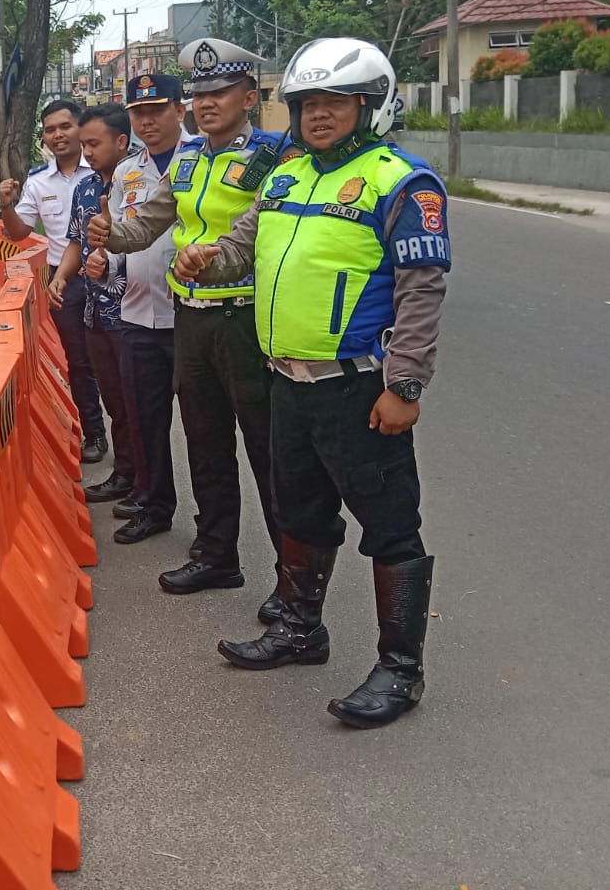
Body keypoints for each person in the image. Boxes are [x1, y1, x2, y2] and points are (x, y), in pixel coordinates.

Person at [174, 37, 449, 729]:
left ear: (370, 105)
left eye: (334, 102)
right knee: (299, 512)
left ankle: (400, 669)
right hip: (284, 381)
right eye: (306, 104)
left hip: (357, 388)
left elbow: (421, 292)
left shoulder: (402, 183)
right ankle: (300, 626)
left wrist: (406, 386)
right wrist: (209, 259)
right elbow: (245, 243)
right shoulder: (285, 177)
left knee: (390, 529)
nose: (318, 115)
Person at [93, 39, 286, 615]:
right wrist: (111, 234)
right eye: (199, 94)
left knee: (267, 451)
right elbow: (151, 221)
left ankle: (293, 577)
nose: (206, 103)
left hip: (246, 318)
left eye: (219, 92)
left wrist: (215, 256)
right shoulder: (189, 158)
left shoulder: (272, 157)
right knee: (205, 441)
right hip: (192, 318)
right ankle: (217, 553)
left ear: (249, 97)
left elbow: (260, 228)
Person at [92, 71, 193, 545]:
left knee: (204, 430)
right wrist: (104, 263)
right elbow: (119, 239)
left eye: (157, 111)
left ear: (179, 108)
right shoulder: (128, 172)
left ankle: (214, 533)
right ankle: (154, 505)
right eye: (139, 114)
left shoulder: (205, 161)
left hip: (192, 319)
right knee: (144, 420)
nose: (148, 122)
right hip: (136, 314)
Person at [0, 99, 108, 464]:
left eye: (65, 126)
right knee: (79, 362)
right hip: (67, 281)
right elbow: (18, 233)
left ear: (81, 127)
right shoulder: (38, 181)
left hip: (113, 279)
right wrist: (8, 205)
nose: (58, 135)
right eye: (50, 130)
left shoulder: (109, 170)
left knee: (117, 362)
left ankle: (133, 446)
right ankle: (94, 435)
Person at [48, 103, 141, 507]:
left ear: (121, 141)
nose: (87, 151)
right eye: (83, 144)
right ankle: (125, 475)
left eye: (94, 143)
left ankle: (149, 489)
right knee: (114, 400)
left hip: (135, 312)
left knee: (139, 405)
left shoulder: (145, 183)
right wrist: (62, 275)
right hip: (94, 309)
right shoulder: (86, 188)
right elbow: (75, 240)